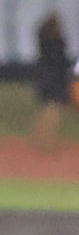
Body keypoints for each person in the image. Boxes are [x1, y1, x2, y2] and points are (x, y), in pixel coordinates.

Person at [31, 12, 73, 152]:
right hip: (55, 80)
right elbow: (62, 61)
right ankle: (47, 142)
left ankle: (39, 140)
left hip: (44, 78)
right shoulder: (56, 43)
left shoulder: (43, 41)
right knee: (53, 112)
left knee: (45, 111)